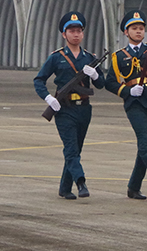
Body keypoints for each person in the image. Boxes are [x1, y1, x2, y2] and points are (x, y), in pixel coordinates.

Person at [34, 11, 105, 199]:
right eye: (71, 31)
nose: (76, 34)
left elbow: (101, 84)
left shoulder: (89, 57)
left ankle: (65, 188)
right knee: (71, 148)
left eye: (79, 30)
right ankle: (80, 182)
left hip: (84, 109)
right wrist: (49, 99)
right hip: (64, 109)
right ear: (64, 34)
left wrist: (95, 74)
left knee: (76, 149)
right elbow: (39, 80)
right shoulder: (56, 58)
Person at [104, 11, 147, 200]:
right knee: (144, 139)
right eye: (134, 28)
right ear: (126, 32)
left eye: (141, 28)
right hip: (134, 102)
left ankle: (134, 186)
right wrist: (127, 91)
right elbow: (110, 82)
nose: (138, 32)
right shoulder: (119, 56)